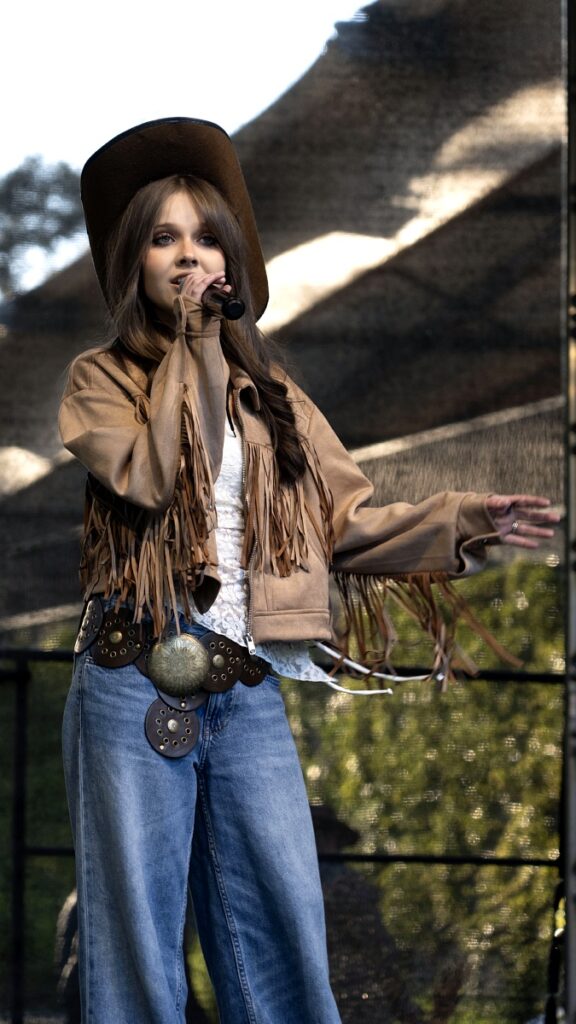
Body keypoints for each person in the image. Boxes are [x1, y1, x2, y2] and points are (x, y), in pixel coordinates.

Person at [58, 117, 559, 1024]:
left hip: (245, 687)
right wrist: (192, 345)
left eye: (206, 237)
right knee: (137, 964)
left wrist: (464, 519)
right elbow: (150, 477)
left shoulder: (279, 400)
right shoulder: (101, 380)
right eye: (164, 238)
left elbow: (344, 528)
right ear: (135, 263)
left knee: (284, 943)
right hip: (134, 676)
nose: (188, 254)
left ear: (233, 260)